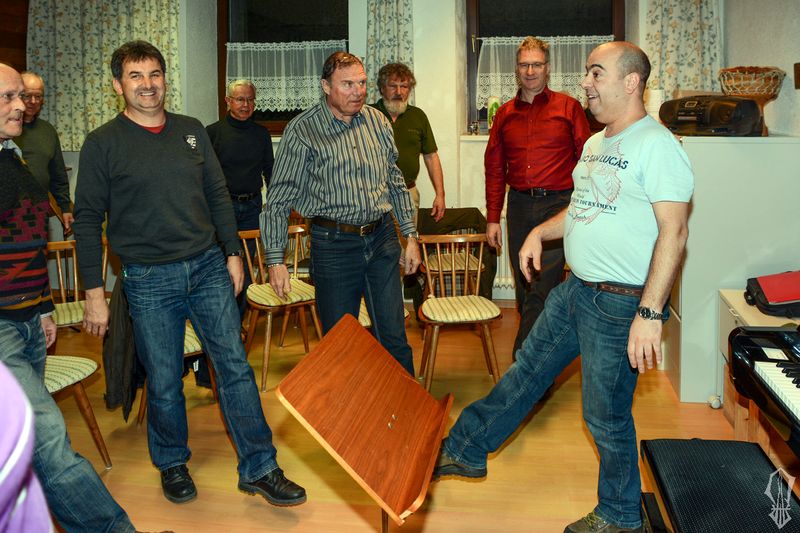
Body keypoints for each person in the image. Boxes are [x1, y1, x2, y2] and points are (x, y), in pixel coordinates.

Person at [432, 41, 694, 533]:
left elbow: (675, 232)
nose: (585, 83)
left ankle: (621, 516)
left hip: (620, 303)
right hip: (576, 292)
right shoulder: (596, 144)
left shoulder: (657, 146)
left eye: (596, 73)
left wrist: (650, 314)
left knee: (605, 416)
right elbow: (581, 208)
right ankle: (465, 449)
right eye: (587, 73)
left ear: (631, 82)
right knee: (525, 373)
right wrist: (539, 231)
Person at [74, 40, 306, 507]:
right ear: (118, 85)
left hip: (206, 268)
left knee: (234, 367)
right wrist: (94, 294)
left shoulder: (192, 132)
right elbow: (86, 219)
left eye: (155, 74)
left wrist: (233, 253)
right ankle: (172, 462)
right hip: (147, 279)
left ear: (165, 79)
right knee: (164, 379)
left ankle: (260, 467)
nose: (147, 85)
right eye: (136, 76)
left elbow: (218, 194)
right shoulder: (102, 143)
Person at [0, 62, 136, 533]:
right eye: (8, 97)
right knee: (47, 439)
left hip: (27, 320)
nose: (21, 106)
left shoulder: (12, 154)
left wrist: (43, 307)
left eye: (22, 96)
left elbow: (29, 241)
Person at [262, 51, 421, 376]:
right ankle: (346, 408)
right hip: (334, 246)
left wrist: (410, 235)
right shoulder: (302, 130)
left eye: (361, 83)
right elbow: (278, 199)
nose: (358, 91)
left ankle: (405, 406)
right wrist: (276, 260)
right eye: (347, 84)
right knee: (340, 344)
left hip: (381, 238)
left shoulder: (377, 121)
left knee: (394, 337)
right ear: (326, 86)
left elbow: (394, 180)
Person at [484, 37, 591, 355]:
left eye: (536, 64)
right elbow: (494, 168)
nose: (530, 71)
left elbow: (587, 161)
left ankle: (524, 363)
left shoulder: (568, 107)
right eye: (524, 65)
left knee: (542, 287)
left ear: (548, 68)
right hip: (519, 206)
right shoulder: (504, 114)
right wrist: (493, 218)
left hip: (558, 206)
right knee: (524, 286)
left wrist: (584, 207)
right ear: (516, 69)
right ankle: (542, 360)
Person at [207, 79, 274, 315]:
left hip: (252, 208)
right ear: (228, 101)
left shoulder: (261, 134)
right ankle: (220, 318)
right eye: (240, 99)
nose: (246, 105)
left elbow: (270, 171)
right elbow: (204, 175)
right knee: (221, 264)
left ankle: (238, 319)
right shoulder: (212, 133)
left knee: (244, 265)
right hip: (222, 210)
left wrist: (276, 205)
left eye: (250, 100)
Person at [370, 62, 445, 225]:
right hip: (373, 196)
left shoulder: (418, 116)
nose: (399, 92)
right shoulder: (367, 115)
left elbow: (431, 157)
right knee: (376, 241)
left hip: (408, 193)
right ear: (382, 88)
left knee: (408, 241)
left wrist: (440, 195)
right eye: (393, 86)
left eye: (404, 86)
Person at [15, 71, 73, 232]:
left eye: (38, 96)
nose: (33, 101)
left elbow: (58, 175)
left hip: (38, 212)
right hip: (8, 213)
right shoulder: (6, 129)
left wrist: (65, 208)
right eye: (27, 96)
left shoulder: (47, 130)